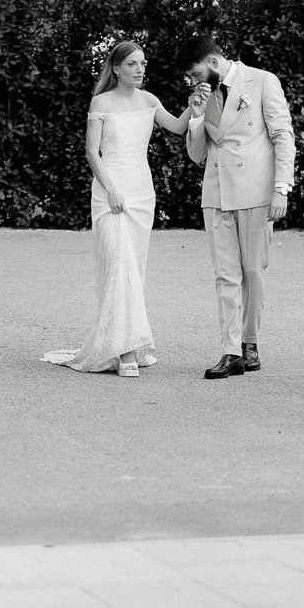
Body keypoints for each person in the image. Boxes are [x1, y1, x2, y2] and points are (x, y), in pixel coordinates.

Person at [42, 40, 191, 378]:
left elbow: (179, 127)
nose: (140, 69)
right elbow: (92, 152)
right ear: (116, 68)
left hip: (142, 192)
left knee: (134, 268)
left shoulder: (150, 100)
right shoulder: (102, 102)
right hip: (110, 190)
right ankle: (123, 351)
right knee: (117, 265)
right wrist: (110, 190)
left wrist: (195, 105)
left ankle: (133, 343)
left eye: (142, 63)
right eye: (132, 64)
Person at [176, 34, 296, 380]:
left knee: (253, 271)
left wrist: (281, 189)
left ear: (213, 63)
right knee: (225, 275)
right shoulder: (203, 96)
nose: (193, 82)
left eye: (195, 74)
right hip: (216, 194)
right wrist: (196, 118)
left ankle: (251, 343)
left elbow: (282, 136)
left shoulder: (261, 81)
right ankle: (230, 351)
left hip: (257, 193)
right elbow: (197, 155)